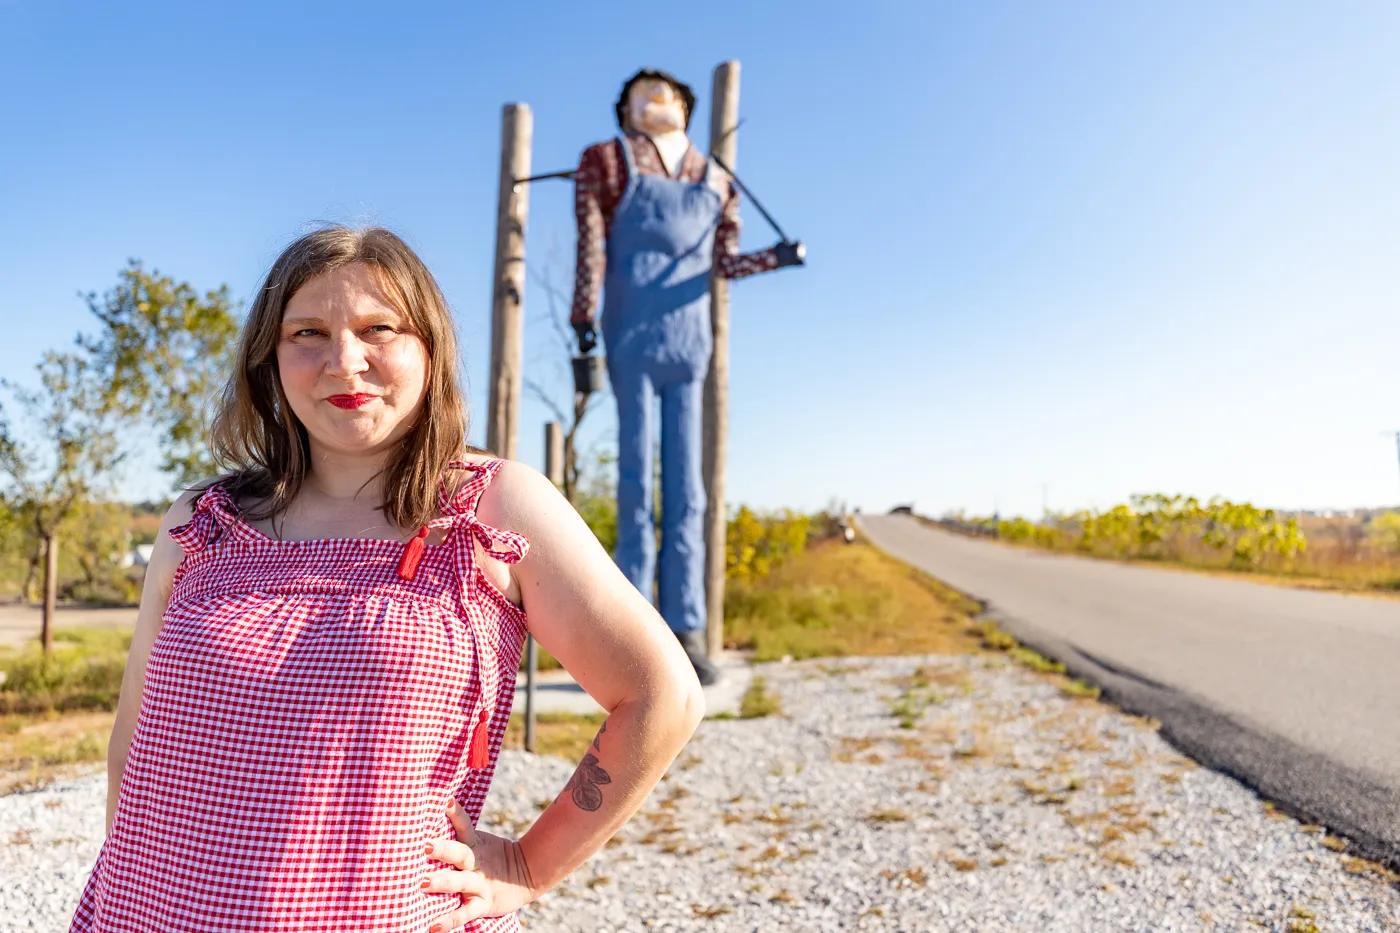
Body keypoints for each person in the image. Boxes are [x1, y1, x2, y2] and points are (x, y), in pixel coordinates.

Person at [71, 227, 705, 932]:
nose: (345, 361)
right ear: (268, 359)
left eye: (380, 328)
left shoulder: (495, 505)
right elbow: (132, 738)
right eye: (307, 331)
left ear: (429, 349)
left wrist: (528, 864)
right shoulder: (200, 519)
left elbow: (661, 694)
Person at [570, 68, 805, 685]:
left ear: (685, 107)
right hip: (629, 335)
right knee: (632, 481)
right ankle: (629, 633)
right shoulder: (608, 161)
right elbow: (590, 246)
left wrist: (776, 259)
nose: (653, 100)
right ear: (624, 111)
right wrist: (582, 317)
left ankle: (687, 629)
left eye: (665, 92)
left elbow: (724, 260)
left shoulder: (717, 177)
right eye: (639, 94)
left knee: (689, 489)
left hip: (689, 340)